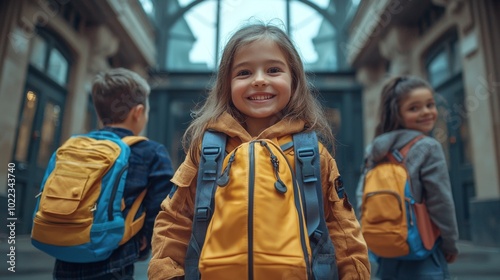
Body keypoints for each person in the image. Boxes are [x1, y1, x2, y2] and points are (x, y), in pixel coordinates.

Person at [148, 23, 370, 280]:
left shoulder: (312, 154)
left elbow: (343, 229)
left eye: (274, 70)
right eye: (244, 72)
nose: (260, 80)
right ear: (226, 84)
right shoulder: (208, 150)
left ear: (294, 79)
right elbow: (175, 221)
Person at [53, 68, 174, 279]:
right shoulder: (151, 151)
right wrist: (146, 236)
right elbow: (162, 205)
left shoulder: (75, 145)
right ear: (138, 112)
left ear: (99, 113)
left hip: (67, 250)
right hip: (115, 256)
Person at [356, 75, 459, 279]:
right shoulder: (428, 147)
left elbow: (362, 197)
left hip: (385, 250)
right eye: (414, 108)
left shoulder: (375, 149)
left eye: (430, 104)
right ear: (398, 114)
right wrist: (450, 243)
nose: (427, 112)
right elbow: (440, 201)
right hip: (423, 250)